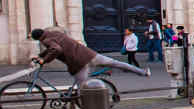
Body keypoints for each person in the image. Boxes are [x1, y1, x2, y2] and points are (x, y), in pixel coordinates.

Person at [0, 28, 151, 91]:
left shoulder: (46, 41)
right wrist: (41, 56)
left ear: (38, 38)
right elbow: (56, 46)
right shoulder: (55, 33)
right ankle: (143, 72)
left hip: (78, 62)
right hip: (89, 54)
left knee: (82, 87)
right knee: (117, 63)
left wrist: (42, 61)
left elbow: (56, 49)